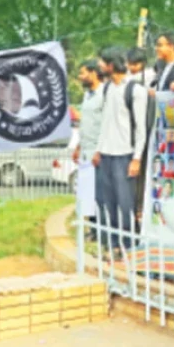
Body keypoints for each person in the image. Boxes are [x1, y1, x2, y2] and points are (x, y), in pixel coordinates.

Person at [95, 49, 148, 257]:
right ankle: (113, 244)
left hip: (124, 154)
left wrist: (136, 158)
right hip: (107, 153)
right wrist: (99, 149)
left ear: (111, 65)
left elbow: (140, 128)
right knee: (109, 202)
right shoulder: (108, 89)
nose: (100, 67)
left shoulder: (135, 91)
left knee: (125, 203)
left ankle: (128, 245)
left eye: (103, 63)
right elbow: (105, 123)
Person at [73, 59, 104, 242]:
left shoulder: (103, 95)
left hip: (97, 151)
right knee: (88, 194)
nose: (80, 77)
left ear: (93, 73)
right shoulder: (87, 96)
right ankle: (92, 229)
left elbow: (106, 125)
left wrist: (99, 150)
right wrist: (78, 146)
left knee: (99, 194)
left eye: (83, 73)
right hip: (85, 149)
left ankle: (101, 230)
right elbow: (85, 123)